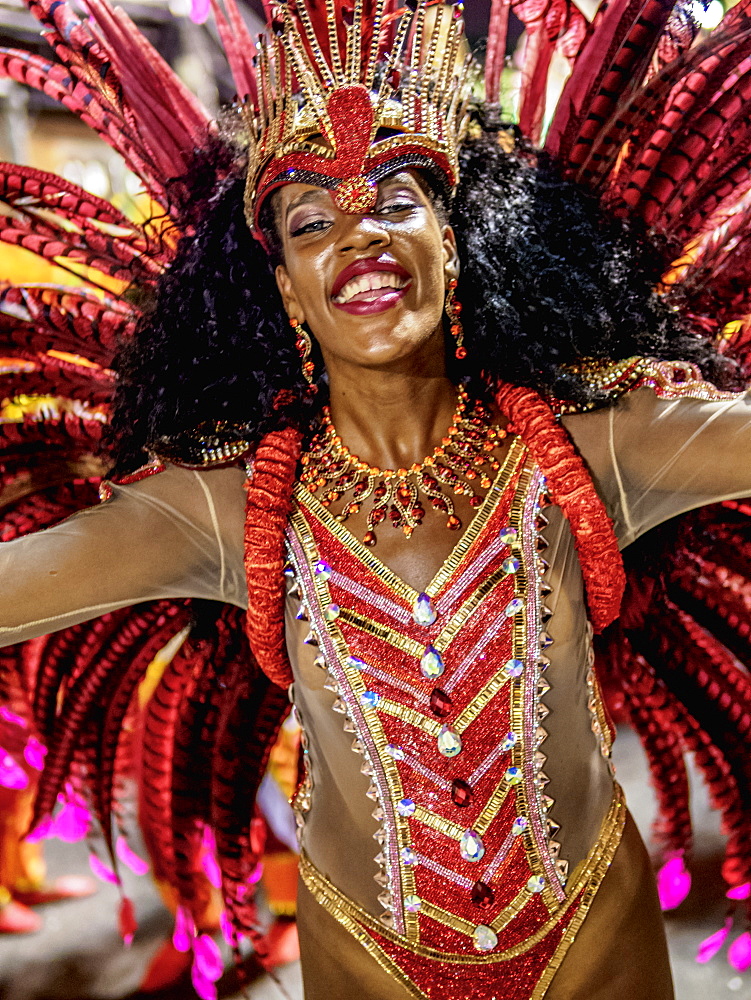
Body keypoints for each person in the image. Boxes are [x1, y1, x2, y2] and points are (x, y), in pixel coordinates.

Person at [1, 1, 751, 998]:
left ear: (453, 244)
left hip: (595, 939)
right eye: (311, 222)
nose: (359, 235)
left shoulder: (592, 445)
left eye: (397, 201)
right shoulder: (228, 511)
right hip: (369, 960)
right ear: (284, 289)